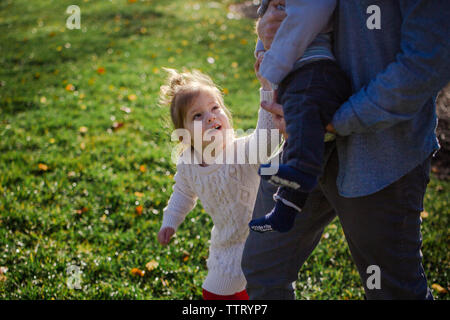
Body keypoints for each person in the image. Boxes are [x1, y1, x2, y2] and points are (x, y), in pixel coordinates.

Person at [242, 0, 450, 299]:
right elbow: (277, 10)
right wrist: (266, 40)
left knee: (391, 290)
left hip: (382, 156)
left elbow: (427, 61)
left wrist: (337, 119)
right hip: (300, 148)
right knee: (263, 271)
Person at [157, 68, 278, 300]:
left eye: (215, 108)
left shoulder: (241, 152)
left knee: (258, 290)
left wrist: (267, 90)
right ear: (184, 135)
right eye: (197, 116)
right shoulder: (188, 163)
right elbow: (182, 194)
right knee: (215, 292)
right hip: (226, 241)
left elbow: (268, 140)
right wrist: (170, 222)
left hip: (262, 236)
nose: (211, 117)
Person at [248, 0, 352, 233]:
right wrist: (263, 48)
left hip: (315, 72)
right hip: (298, 79)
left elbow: (308, 16)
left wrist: (272, 66)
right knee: (297, 144)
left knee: (301, 148)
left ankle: (303, 171)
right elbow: (269, 24)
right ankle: (284, 212)